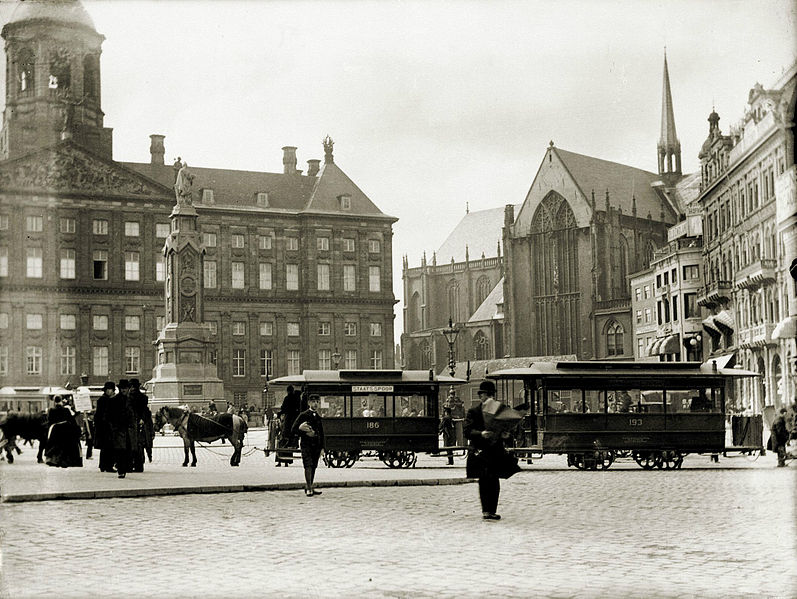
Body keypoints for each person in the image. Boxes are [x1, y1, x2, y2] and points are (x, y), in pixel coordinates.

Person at [464, 380, 512, 521]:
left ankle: (492, 510)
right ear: (481, 396)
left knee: (495, 481)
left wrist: (505, 435)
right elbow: (467, 431)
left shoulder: (499, 412)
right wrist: (480, 434)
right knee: (484, 480)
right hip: (481, 451)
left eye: (491, 395)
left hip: (495, 451)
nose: (488, 398)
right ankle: (486, 511)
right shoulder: (474, 412)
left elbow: (506, 431)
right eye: (486, 395)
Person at [291, 394, 325, 497]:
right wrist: (304, 432)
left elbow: (321, 433)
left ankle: (310, 486)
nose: (315, 404)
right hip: (306, 445)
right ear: (309, 403)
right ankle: (309, 488)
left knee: (314, 466)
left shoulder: (318, 417)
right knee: (308, 465)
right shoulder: (303, 415)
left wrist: (322, 448)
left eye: (317, 402)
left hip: (316, 446)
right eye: (313, 401)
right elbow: (293, 430)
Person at [106, 380, 138, 478]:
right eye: (122, 388)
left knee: (128, 450)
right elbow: (108, 415)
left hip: (129, 429)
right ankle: (121, 470)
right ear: (119, 389)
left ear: (128, 389)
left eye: (126, 388)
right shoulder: (114, 400)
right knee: (120, 450)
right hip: (118, 429)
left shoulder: (131, 400)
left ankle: (125, 467)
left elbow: (135, 413)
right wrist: (113, 426)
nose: (124, 390)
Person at [44, 396, 83, 468]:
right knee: (65, 446)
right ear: (61, 401)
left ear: (54, 401)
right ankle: (65, 461)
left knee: (54, 445)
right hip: (65, 429)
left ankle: (54, 460)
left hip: (55, 430)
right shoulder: (66, 410)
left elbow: (49, 420)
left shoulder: (51, 410)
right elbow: (70, 419)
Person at [129, 379, 153, 472]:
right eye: (131, 386)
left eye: (133, 386)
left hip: (138, 423)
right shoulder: (141, 397)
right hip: (135, 422)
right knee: (137, 445)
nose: (132, 388)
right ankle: (136, 464)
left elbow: (145, 411)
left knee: (138, 445)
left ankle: (137, 465)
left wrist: (142, 419)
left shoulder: (141, 397)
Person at [276, 386, 301, 466]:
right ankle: (287, 460)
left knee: (283, 439)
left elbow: (284, 408)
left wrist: (279, 413)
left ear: (288, 391)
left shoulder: (287, 398)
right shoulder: (297, 398)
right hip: (296, 419)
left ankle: (281, 460)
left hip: (289, 419)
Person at [94, 381, 116, 473]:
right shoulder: (106, 400)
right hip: (106, 427)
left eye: (111, 389)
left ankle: (103, 465)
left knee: (105, 448)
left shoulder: (103, 399)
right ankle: (108, 466)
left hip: (103, 427)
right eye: (109, 389)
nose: (110, 391)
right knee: (109, 447)